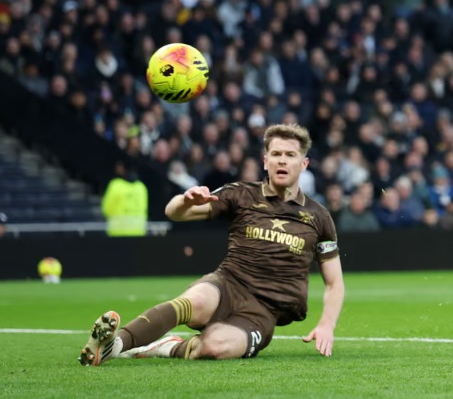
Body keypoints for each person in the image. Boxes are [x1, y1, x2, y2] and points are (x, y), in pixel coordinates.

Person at [79, 124, 344, 365]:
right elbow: (173, 212)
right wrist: (186, 200)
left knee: (214, 347)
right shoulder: (240, 194)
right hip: (228, 284)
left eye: (290, 154)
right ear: (266, 161)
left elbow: (334, 282)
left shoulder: (318, 216)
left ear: (304, 163)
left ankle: (167, 348)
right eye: (276, 154)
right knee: (194, 301)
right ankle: (115, 345)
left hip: (264, 311)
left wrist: (326, 325)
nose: (282, 160)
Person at [101, 160, 149, 237]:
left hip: (117, 234)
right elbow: (144, 209)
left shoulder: (115, 185)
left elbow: (106, 209)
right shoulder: (141, 187)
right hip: (138, 233)